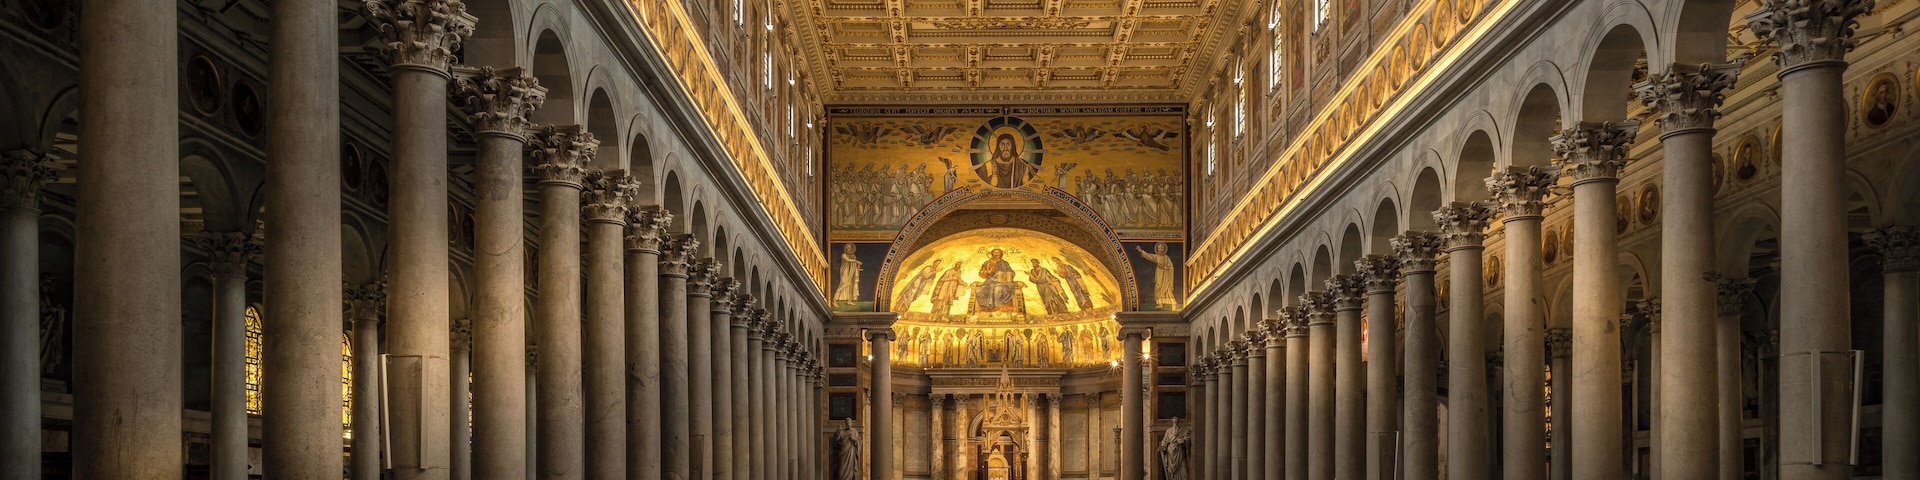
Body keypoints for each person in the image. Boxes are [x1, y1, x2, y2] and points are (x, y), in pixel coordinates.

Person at [971, 249, 1024, 313]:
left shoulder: (1005, 263)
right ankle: (985, 310)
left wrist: (1010, 275)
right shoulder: (987, 263)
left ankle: (999, 308)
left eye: (998, 252)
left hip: (1004, 283)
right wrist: (988, 271)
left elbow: (1011, 272)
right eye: (995, 252)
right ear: (992, 254)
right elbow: (981, 274)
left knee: (998, 289)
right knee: (979, 290)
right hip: (989, 282)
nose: (996, 254)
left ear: (1001, 254)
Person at [1135, 242, 1178, 309]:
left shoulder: (1166, 257)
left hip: (1166, 275)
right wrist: (1141, 251)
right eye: (1159, 248)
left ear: (1164, 249)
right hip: (1159, 274)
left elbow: (1171, 267)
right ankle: (1160, 304)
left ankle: (1173, 303)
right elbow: (1149, 256)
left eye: (1161, 248)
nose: (1160, 249)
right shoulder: (1156, 257)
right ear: (1157, 249)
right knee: (1158, 287)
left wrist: (1166, 268)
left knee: (1167, 289)